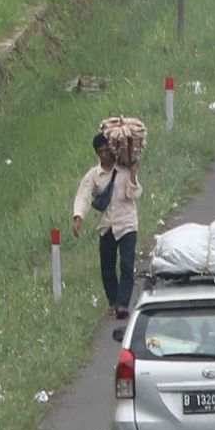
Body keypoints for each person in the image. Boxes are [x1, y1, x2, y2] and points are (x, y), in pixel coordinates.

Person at [72, 132, 142, 321]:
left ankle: (123, 304)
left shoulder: (124, 170)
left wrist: (133, 173)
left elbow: (133, 194)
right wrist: (78, 217)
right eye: (100, 152)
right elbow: (84, 196)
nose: (104, 155)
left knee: (127, 265)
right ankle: (113, 301)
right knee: (107, 267)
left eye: (106, 150)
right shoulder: (94, 175)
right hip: (106, 225)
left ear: (112, 150)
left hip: (127, 222)